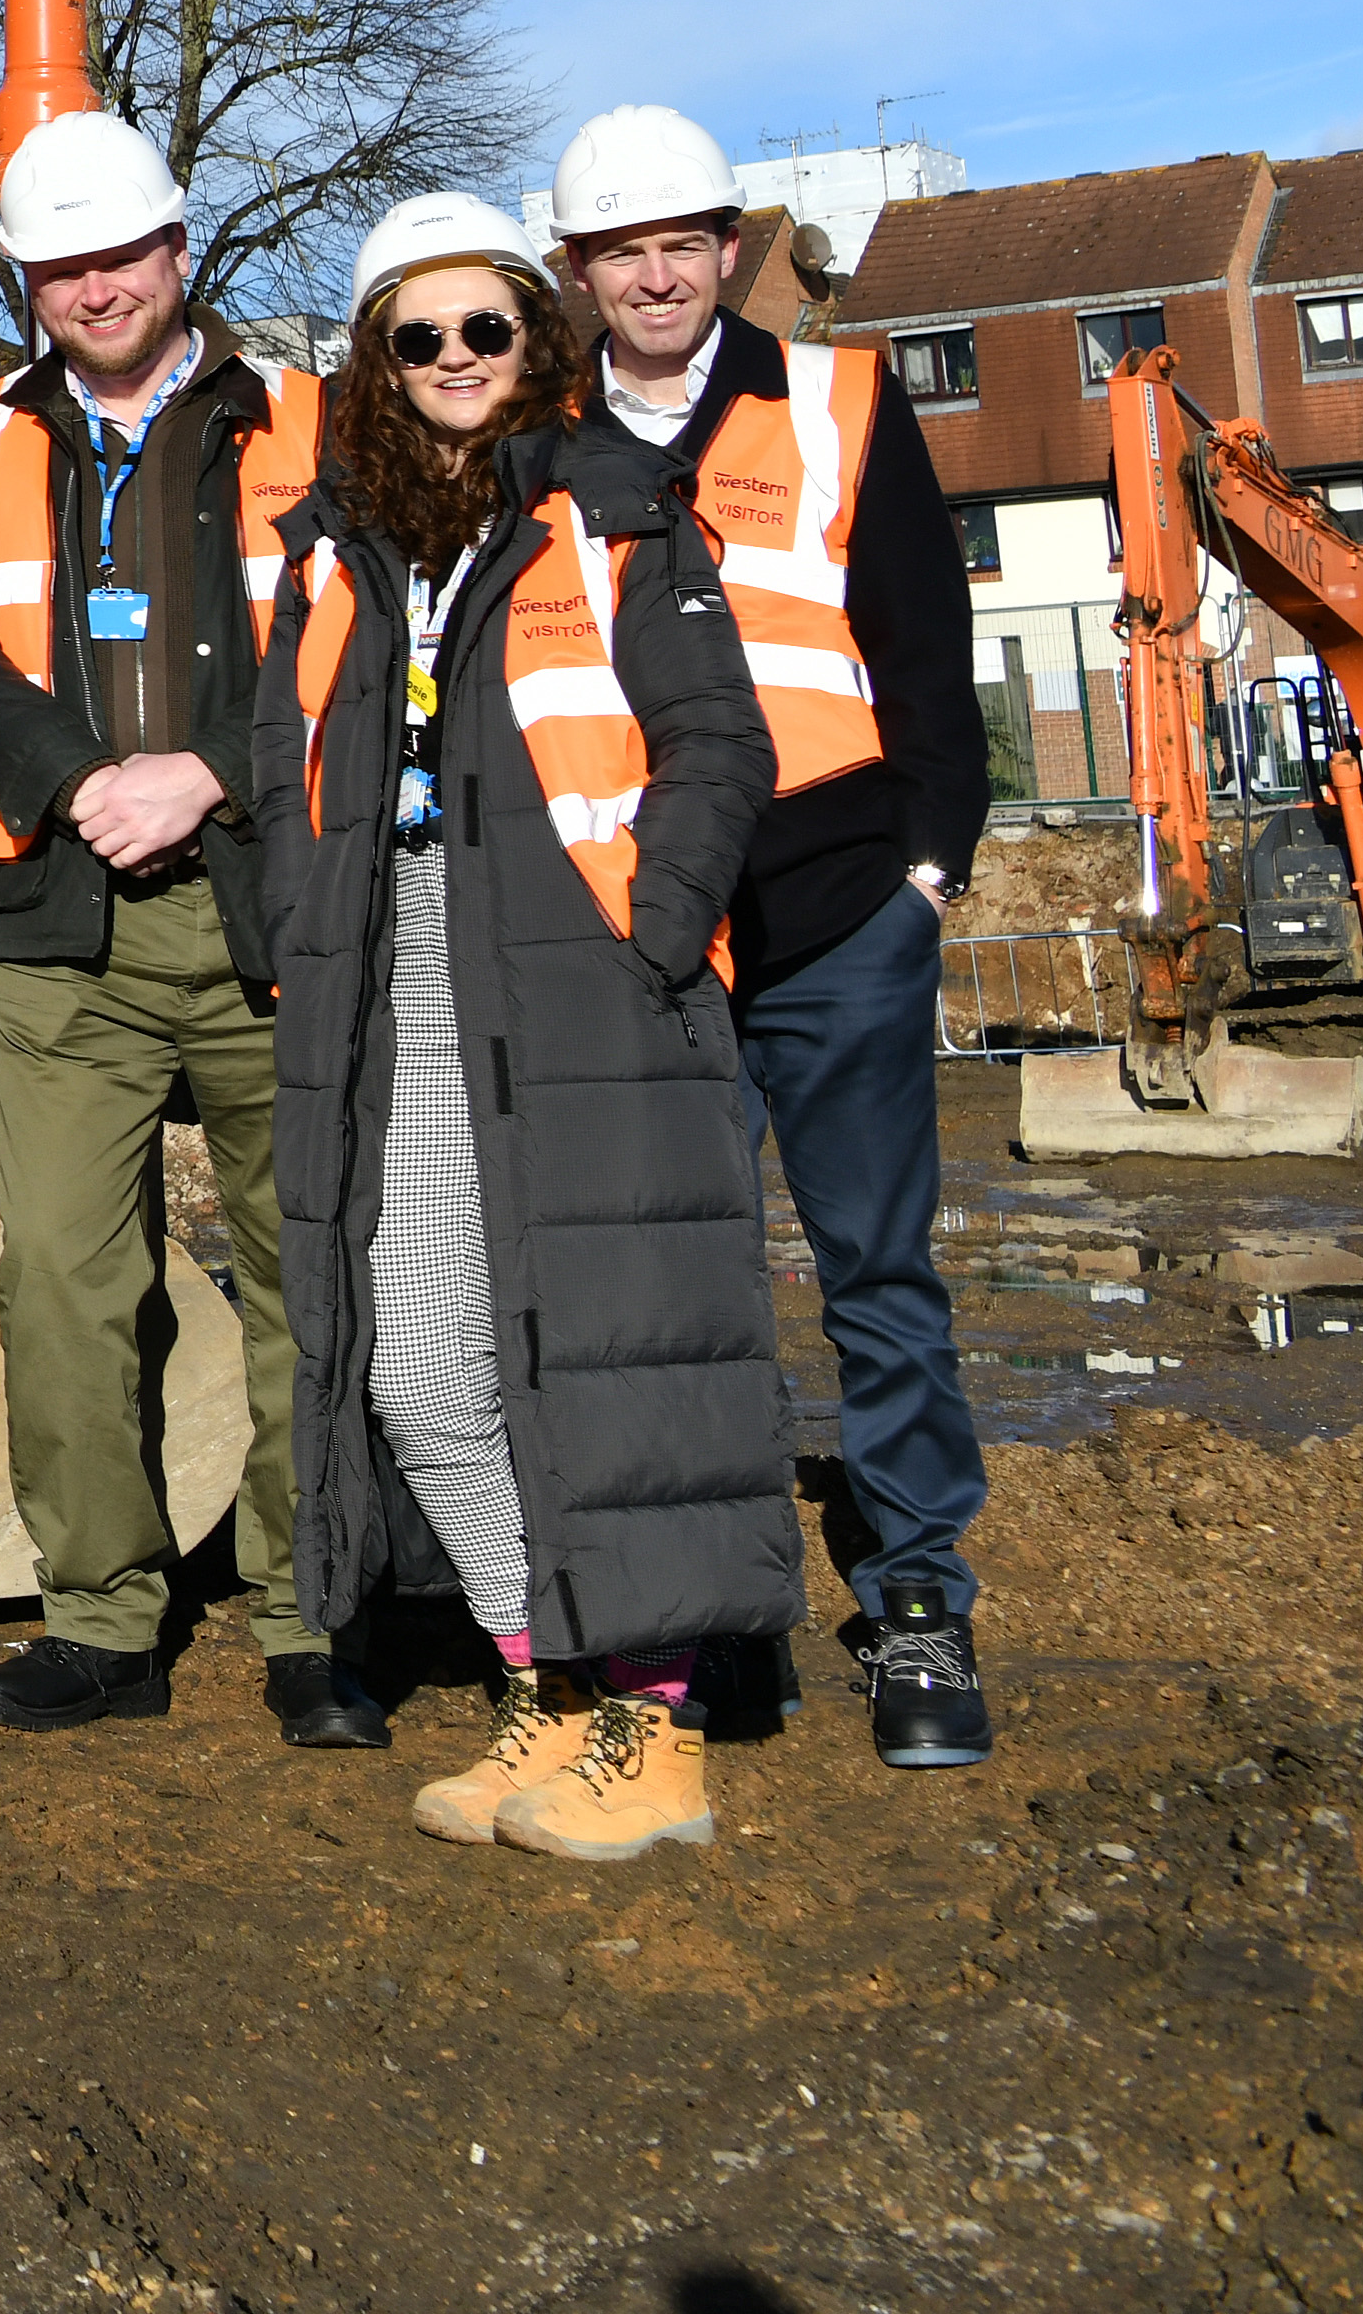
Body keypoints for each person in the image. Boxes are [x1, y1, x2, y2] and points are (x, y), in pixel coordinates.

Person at [256, 191, 793, 1858]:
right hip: (394, 965)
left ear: (530, 338)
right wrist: (297, 929)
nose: (453, 360)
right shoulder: (335, 543)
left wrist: (648, 932)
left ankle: (659, 1728)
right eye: (415, 336)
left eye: (483, 326)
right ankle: (544, 1685)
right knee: (416, 1365)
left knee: (602, 1356)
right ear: (375, 362)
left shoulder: (616, 508)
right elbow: (287, 769)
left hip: (578, 973)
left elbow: (721, 745)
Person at [0, 115, 377, 1750]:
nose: (95, 283)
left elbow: (358, 654)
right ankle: (101, 1610)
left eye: (120, 252)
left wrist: (205, 775)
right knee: (61, 1283)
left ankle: (311, 1610)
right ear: (32, 282)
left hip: (266, 908)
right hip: (53, 917)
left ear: (177, 254)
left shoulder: (303, 421)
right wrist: (68, 776)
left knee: (310, 1268)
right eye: (62, 263)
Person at [548, 104, 994, 1771]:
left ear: (725, 250)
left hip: (836, 911)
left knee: (876, 1270)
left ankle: (916, 1600)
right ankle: (716, 1611)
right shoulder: (537, 440)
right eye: (620, 250)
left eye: (681, 243)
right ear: (576, 270)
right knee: (681, 1287)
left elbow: (920, 650)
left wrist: (926, 873)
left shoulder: (836, 402)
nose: (654, 275)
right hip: (650, 933)